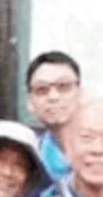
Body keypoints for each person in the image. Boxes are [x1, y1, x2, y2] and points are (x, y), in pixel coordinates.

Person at [26, 51, 83, 180]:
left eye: (63, 86)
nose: (53, 97)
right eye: (42, 89)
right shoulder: (30, 158)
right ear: (29, 101)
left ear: (80, 93)